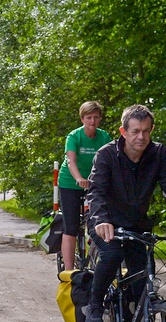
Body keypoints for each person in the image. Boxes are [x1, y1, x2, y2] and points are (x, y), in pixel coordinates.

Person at [84, 104, 166, 322]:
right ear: (123, 132)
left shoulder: (159, 154)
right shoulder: (107, 155)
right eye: (135, 131)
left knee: (141, 285)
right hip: (105, 222)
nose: (141, 137)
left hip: (136, 225)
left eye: (146, 131)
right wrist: (101, 219)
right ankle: (94, 305)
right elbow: (96, 191)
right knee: (112, 255)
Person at [57, 101, 112, 270]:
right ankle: (68, 272)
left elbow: (110, 163)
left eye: (96, 117)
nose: (92, 121)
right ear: (82, 119)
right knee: (71, 226)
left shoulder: (104, 137)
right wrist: (79, 178)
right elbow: (71, 161)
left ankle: (100, 260)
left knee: (101, 220)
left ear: (100, 118)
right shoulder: (74, 137)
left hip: (94, 184)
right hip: (70, 183)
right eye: (89, 118)